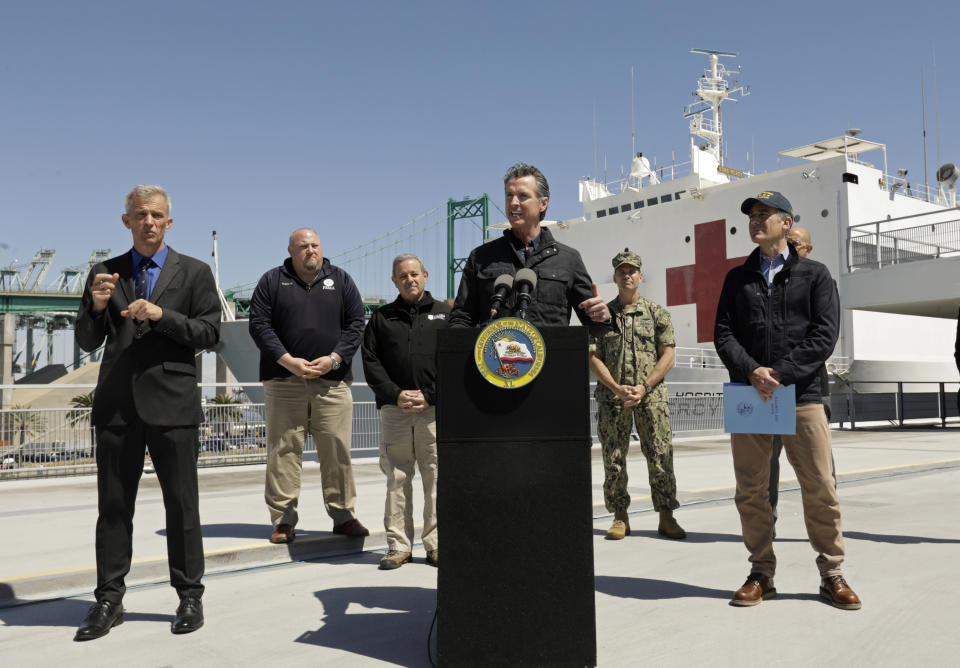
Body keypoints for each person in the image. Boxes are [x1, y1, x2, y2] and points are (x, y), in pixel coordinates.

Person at [74, 185, 221, 640]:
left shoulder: (194, 272)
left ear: (169, 222)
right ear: (127, 221)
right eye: (141, 215)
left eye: (157, 215)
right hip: (118, 406)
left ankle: (189, 596)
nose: (149, 221)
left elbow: (211, 333)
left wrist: (162, 316)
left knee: (182, 507)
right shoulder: (105, 273)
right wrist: (98, 307)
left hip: (173, 405)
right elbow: (85, 339)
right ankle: (108, 600)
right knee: (113, 509)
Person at [715, 191, 861, 610]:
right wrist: (752, 372)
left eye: (765, 215)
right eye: (752, 216)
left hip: (801, 395)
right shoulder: (735, 279)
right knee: (751, 490)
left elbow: (823, 335)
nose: (756, 221)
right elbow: (723, 334)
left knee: (819, 486)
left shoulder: (815, 275)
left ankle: (831, 573)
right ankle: (761, 571)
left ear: (786, 222)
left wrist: (779, 374)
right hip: (749, 395)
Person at [249, 228, 368, 544]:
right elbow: (259, 325)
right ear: (291, 250)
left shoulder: (340, 279)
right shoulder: (272, 281)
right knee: (284, 449)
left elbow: (357, 323)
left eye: (315, 245)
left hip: (332, 381)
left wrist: (335, 359)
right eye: (303, 246)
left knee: (337, 449)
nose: (310, 250)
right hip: (284, 381)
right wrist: (287, 360)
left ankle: (343, 516)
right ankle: (284, 520)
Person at [589, 249, 686, 541]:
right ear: (615, 277)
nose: (627, 275)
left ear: (640, 276)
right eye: (621, 271)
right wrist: (617, 388)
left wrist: (645, 386)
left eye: (632, 271)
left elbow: (668, 355)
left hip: (651, 397)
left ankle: (666, 516)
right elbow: (593, 358)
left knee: (660, 455)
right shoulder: (602, 317)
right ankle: (620, 517)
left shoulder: (657, 313)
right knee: (613, 457)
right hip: (613, 398)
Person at [361, 254, 449, 569]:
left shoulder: (446, 315)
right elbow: (371, 362)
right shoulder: (381, 318)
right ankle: (399, 546)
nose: (409, 280)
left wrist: (430, 395)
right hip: (394, 410)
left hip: (433, 410)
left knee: (436, 478)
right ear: (394, 281)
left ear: (425, 276)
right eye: (402, 276)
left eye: (414, 274)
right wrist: (395, 395)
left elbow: (452, 363)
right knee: (397, 478)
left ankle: (437, 545)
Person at [449, 162, 610, 328]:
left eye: (522, 196)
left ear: (543, 203)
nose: (513, 202)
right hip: (494, 353)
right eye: (509, 195)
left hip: (552, 354)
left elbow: (596, 326)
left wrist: (603, 318)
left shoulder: (569, 260)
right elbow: (461, 319)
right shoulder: (480, 257)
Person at [768, 226, 835, 524]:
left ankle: (826, 534)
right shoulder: (766, 282)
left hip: (808, 388)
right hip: (767, 389)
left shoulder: (820, 280)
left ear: (808, 248)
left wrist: (783, 370)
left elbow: (824, 338)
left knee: (819, 471)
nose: (790, 247)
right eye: (787, 243)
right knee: (765, 465)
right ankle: (766, 522)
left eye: (795, 243)